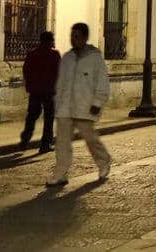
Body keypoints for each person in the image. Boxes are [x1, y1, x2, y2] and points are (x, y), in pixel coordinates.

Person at [47, 22, 111, 187]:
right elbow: (60, 82)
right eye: (71, 36)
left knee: (90, 139)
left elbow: (102, 83)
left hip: (85, 105)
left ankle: (103, 162)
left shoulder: (95, 58)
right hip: (65, 107)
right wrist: (58, 102)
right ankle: (61, 172)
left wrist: (97, 102)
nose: (73, 39)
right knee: (62, 142)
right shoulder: (67, 58)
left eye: (76, 36)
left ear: (84, 37)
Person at [20, 30, 61, 153]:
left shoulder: (32, 53)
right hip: (49, 90)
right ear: (50, 41)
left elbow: (26, 70)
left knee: (32, 116)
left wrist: (29, 84)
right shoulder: (54, 54)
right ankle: (45, 144)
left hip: (36, 89)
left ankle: (25, 139)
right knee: (49, 117)